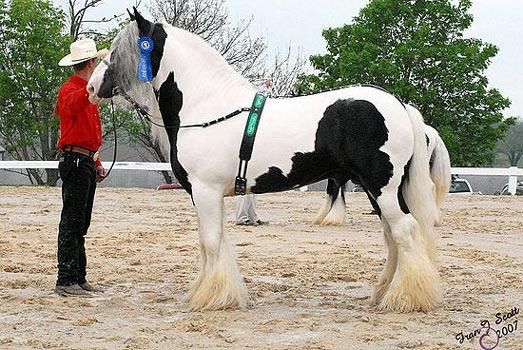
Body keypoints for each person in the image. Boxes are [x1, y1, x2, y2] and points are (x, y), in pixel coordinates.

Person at [54, 38, 108, 296]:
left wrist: (95, 160)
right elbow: (72, 107)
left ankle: (77, 276)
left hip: (84, 159)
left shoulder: (83, 92)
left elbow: (83, 132)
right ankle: (66, 279)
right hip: (76, 160)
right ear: (90, 62)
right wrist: (91, 92)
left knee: (80, 221)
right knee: (73, 220)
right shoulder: (71, 90)